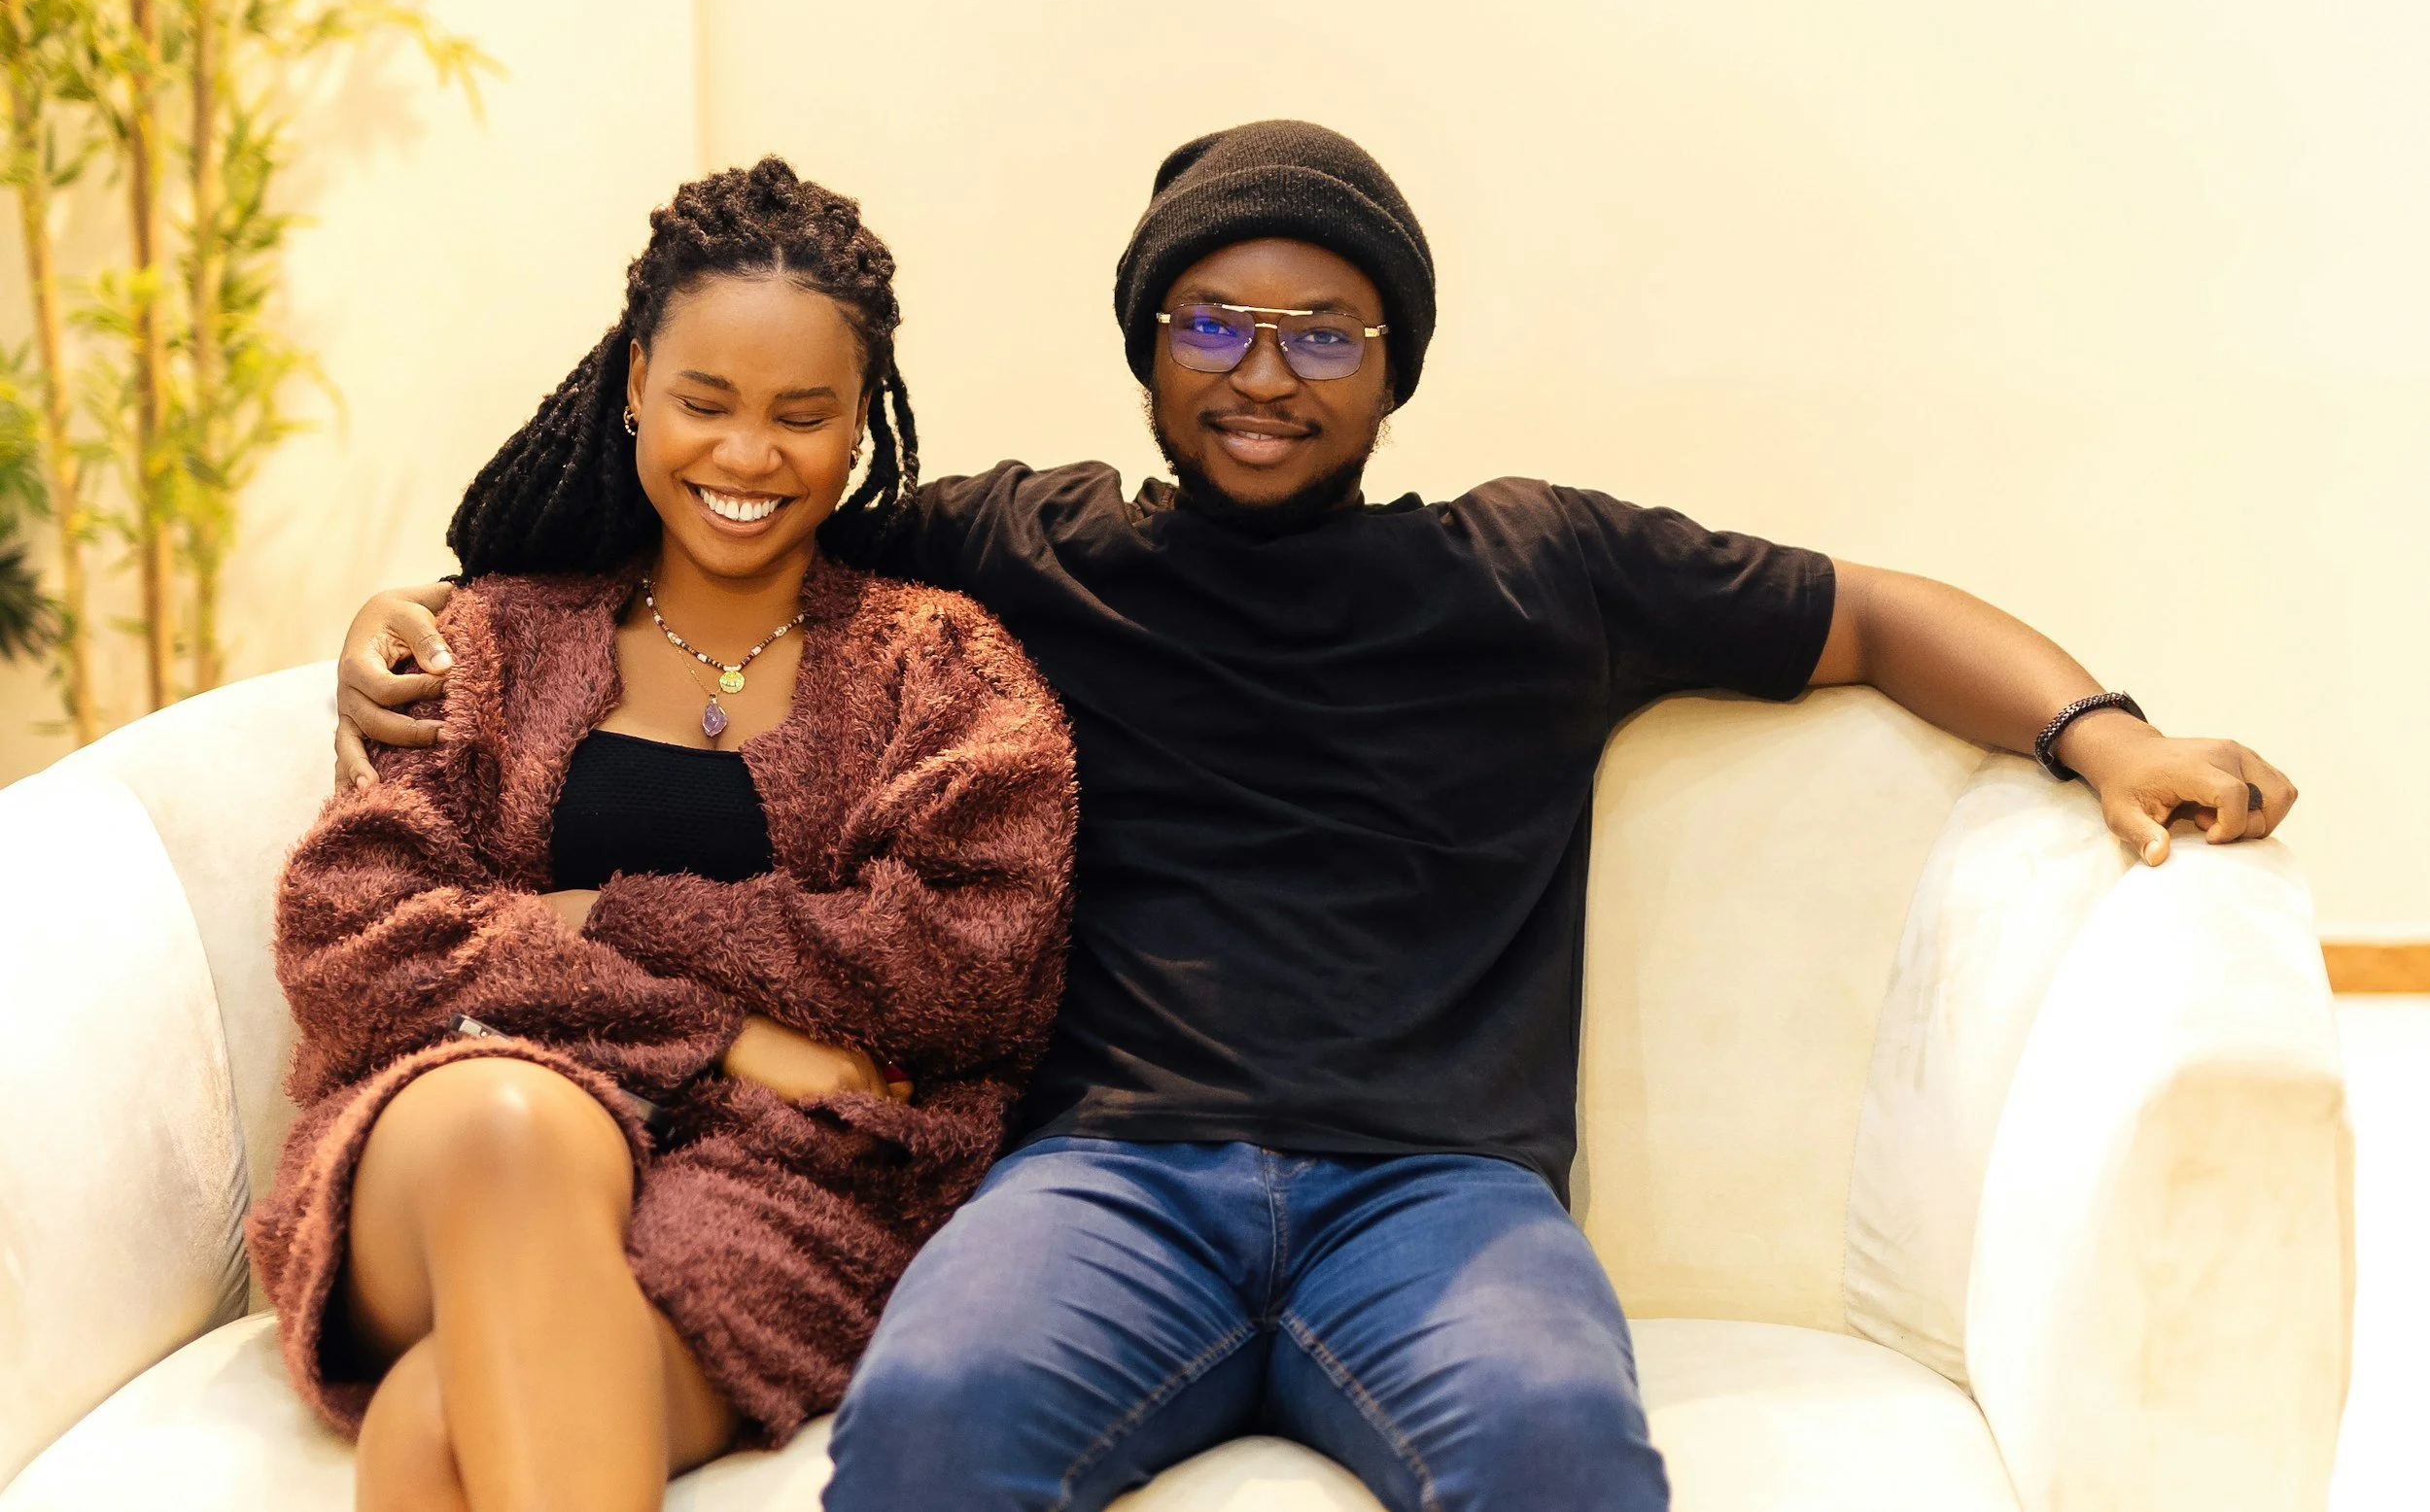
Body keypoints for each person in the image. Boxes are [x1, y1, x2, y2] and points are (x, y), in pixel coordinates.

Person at [332, 121, 2296, 1512]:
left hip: (1436, 1191)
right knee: (926, 1425)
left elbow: (1868, 611)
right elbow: (713, 502)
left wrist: (2100, 732)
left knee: (1555, 1449)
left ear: (1389, 365)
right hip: (1103, 1175)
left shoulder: (1542, 567)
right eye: (1209, 325)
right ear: (1146, 345)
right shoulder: (1026, 547)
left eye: (1319, 333)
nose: (1260, 375)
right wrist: (397, 620)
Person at [256, 157, 1076, 1512]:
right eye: (704, 400)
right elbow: (354, 936)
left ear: (858, 424)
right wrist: (724, 1031)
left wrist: (595, 918)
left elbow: (961, 965)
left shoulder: (939, 669)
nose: (746, 456)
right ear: (634, 381)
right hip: (458, 1139)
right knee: (519, 1122)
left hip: (787, 1186)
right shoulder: (490, 644)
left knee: (436, 1421)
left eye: (799, 416)